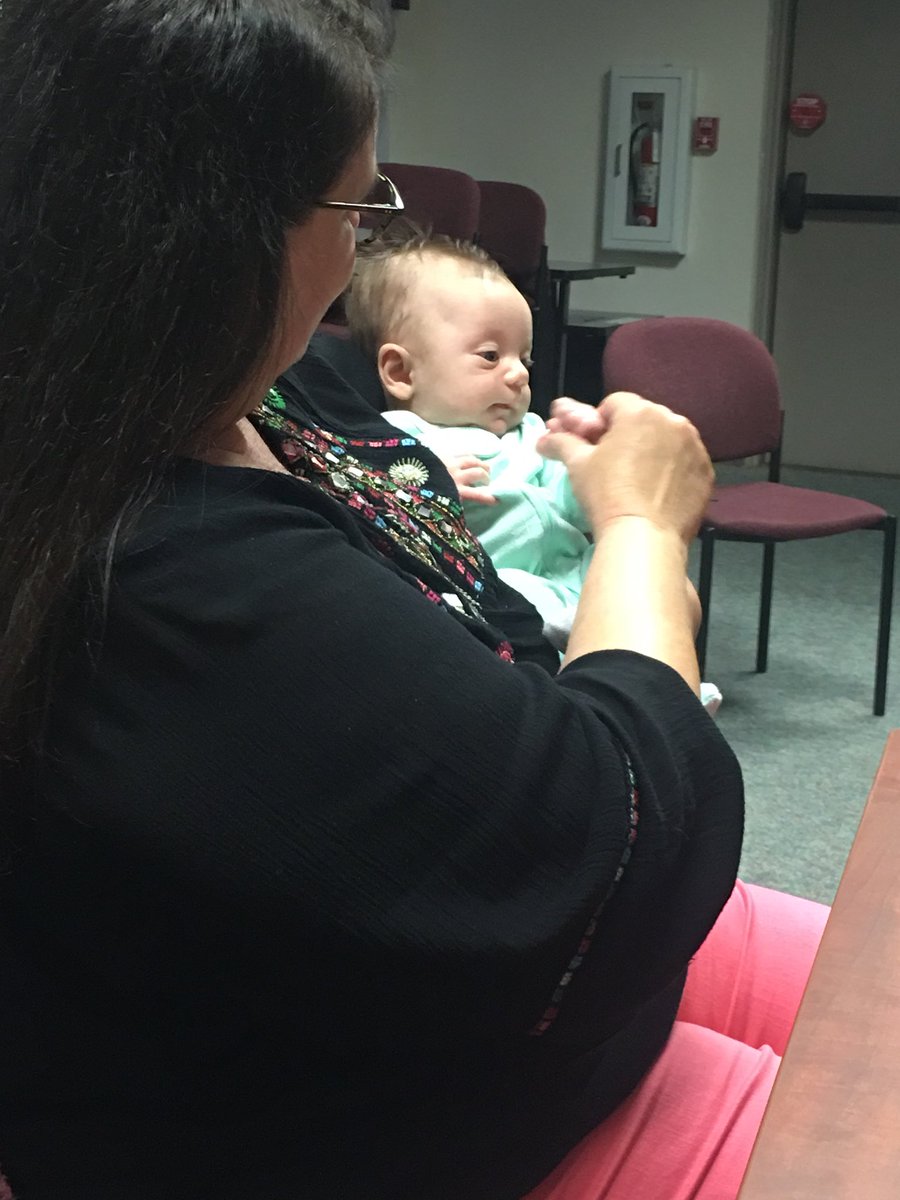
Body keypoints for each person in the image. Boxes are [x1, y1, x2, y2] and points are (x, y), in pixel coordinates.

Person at [0, 3, 824, 1199]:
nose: (357, 256)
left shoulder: (277, 393)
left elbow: (484, 605)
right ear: (214, 235)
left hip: (561, 983)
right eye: (356, 209)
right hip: (466, 1105)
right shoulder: (164, 580)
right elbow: (630, 839)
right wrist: (643, 525)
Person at [347, 235, 722, 709]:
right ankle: (618, 682)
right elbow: (368, 504)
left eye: (523, 358)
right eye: (490, 356)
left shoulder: (533, 432)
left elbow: (576, 507)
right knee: (526, 601)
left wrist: (590, 463)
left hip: (566, 565)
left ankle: (656, 680)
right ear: (401, 372)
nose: (519, 374)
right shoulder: (398, 436)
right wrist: (427, 483)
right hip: (501, 578)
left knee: (641, 575)